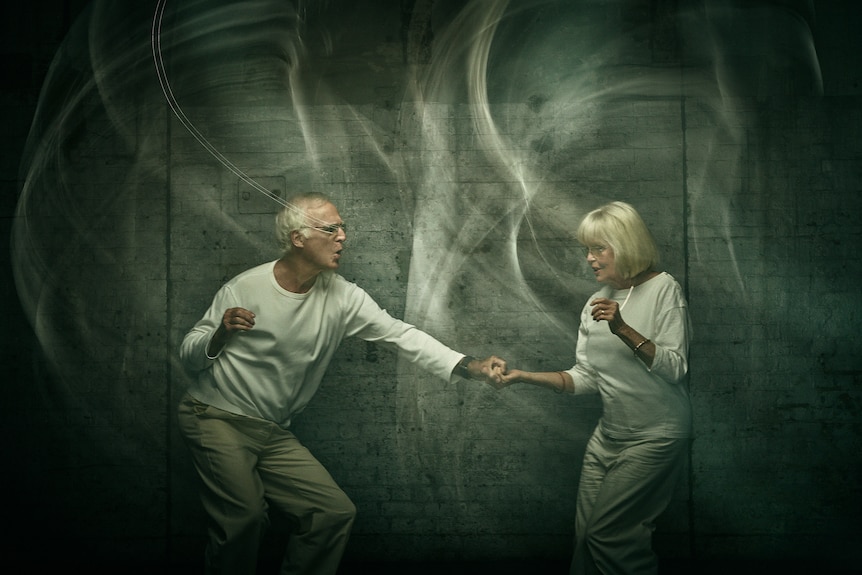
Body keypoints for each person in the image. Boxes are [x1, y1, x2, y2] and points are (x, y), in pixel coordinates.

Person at [178, 191, 507, 575]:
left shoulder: (343, 296)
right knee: (245, 521)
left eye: (344, 228)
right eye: (331, 228)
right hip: (216, 419)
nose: (343, 237)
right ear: (298, 238)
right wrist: (219, 334)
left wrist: (470, 365)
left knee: (332, 513)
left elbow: (400, 334)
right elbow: (189, 357)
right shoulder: (245, 288)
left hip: (271, 432)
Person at [500, 201, 691, 575]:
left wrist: (622, 328)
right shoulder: (595, 302)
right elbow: (586, 376)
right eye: (587, 249)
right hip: (608, 437)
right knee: (585, 536)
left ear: (625, 245)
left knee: (609, 537)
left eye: (598, 248)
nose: (589, 258)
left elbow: (676, 368)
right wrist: (523, 376)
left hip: (655, 435)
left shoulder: (663, 288)